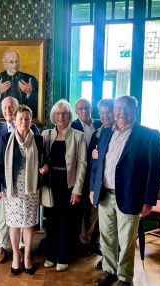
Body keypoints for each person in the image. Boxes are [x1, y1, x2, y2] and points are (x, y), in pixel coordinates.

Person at [90, 95, 160, 286]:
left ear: (135, 110)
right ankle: (109, 271)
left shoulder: (149, 136)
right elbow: (98, 165)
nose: (120, 112)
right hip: (105, 194)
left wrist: (149, 200)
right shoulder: (106, 132)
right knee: (106, 238)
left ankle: (124, 278)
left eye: (125, 108)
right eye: (117, 108)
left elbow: (155, 171)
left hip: (131, 197)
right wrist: (93, 189)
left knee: (127, 242)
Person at [0, 105, 44, 275]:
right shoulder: (5, 138)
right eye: (20, 118)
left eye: (27, 119)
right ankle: (16, 256)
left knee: (29, 224)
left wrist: (44, 168)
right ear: (14, 121)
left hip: (31, 189)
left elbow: (43, 161)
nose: (24, 122)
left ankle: (27, 256)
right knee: (14, 225)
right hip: (12, 189)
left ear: (31, 121)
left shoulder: (38, 139)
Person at [41, 99, 87, 272]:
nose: (61, 116)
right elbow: (40, 158)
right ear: (53, 116)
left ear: (70, 116)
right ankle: (51, 255)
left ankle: (63, 256)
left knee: (66, 222)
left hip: (69, 186)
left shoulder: (78, 136)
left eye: (65, 113)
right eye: (58, 113)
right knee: (51, 221)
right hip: (50, 185)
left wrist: (77, 189)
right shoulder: (46, 134)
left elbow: (82, 165)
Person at [71, 98, 102, 255]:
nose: (84, 110)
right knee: (82, 210)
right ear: (76, 112)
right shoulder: (73, 126)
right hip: (80, 174)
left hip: (98, 174)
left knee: (96, 208)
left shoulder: (99, 124)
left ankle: (94, 242)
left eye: (86, 107)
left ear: (91, 108)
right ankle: (82, 241)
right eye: (80, 109)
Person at [87, 99, 115, 269]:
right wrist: (94, 155)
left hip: (118, 189)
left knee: (114, 230)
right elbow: (92, 161)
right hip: (101, 186)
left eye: (108, 112)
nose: (104, 115)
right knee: (106, 230)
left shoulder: (119, 131)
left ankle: (113, 263)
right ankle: (107, 261)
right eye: (102, 112)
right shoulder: (99, 132)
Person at [0, 50, 38, 118]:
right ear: (4, 63)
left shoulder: (30, 79)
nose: (15, 65)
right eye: (11, 62)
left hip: (23, 120)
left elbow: (38, 107)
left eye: (17, 61)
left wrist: (29, 93)